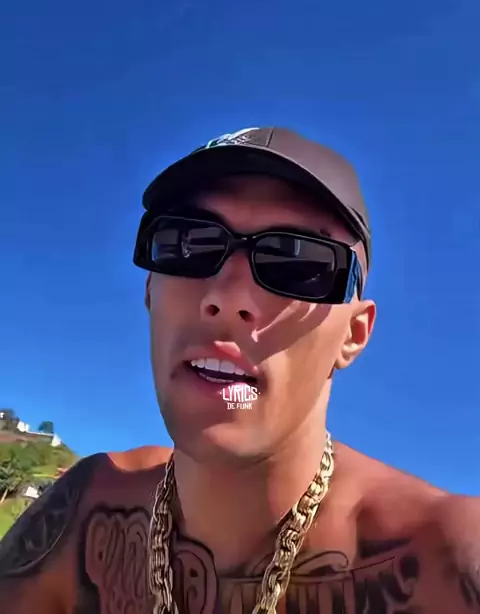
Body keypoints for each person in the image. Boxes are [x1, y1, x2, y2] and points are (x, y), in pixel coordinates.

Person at [0, 126, 478, 614]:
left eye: (296, 262)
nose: (227, 298)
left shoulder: (450, 560)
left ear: (353, 334)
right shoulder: (83, 513)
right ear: (148, 293)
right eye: (188, 244)